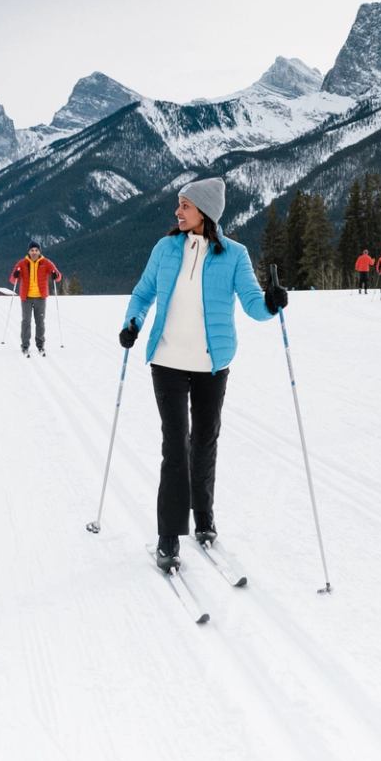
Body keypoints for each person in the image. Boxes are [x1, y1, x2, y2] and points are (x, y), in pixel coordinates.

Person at [119, 177, 289, 571]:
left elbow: (252, 304)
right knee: (175, 446)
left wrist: (271, 303)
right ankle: (168, 534)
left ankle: (204, 516)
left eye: (185, 206)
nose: (177, 212)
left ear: (205, 212)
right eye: (178, 205)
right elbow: (143, 292)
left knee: (205, 441)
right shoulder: (165, 248)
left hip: (213, 365)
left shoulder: (234, 255)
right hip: (167, 362)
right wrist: (133, 323)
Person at [10, 242, 62, 356]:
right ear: (28, 251)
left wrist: (55, 275)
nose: (34, 252)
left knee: (40, 322)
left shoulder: (46, 263)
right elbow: (13, 280)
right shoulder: (21, 263)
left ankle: (40, 345)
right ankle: (25, 345)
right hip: (26, 297)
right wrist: (16, 274)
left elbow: (58, 277)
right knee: (26, 322)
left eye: (36, 250)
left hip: (40, 298)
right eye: (32, 250)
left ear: (39, 251)